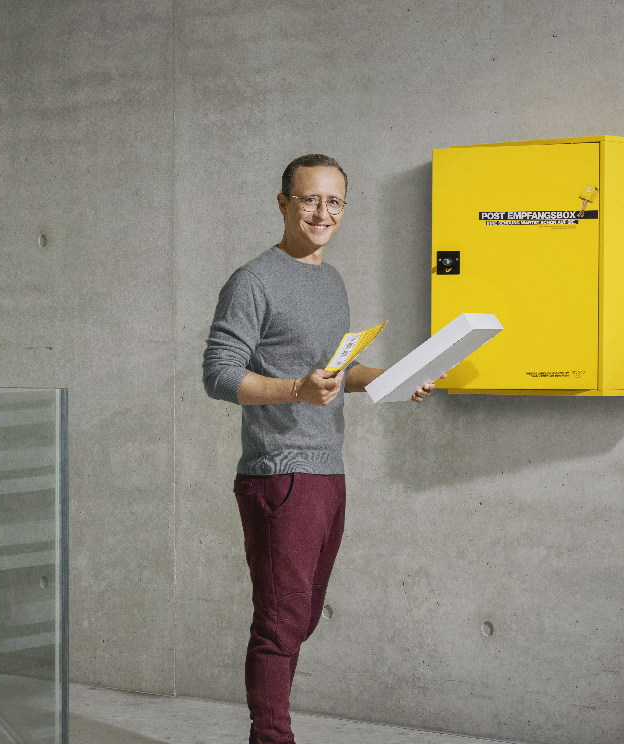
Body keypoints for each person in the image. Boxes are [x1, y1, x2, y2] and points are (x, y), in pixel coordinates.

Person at [202, 154, 438, 744]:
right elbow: (217, 374)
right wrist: (293, 391)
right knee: (280, 625)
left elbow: (335, 371)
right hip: (279, 473)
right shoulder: (252, 281)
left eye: (334, 202)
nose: (322, 212)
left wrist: (392, 378)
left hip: (327, 471)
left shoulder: (330, 281)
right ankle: (271, 738)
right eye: (309, 199)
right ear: (283, 203)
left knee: (300, 617)